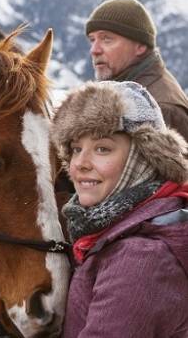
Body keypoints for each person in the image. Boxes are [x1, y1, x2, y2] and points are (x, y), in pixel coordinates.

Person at [51, 80, 188, 338]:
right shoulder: (116, 229)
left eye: (102, 149)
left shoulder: (140, 258)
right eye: (76, 148)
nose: (80, 163)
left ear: (144, 156)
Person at [86, 0, 188, 141]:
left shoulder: (161, 108)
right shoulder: (126, 92)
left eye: (106, 39)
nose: (94, 50)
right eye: (92, 40)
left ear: (140, 46)